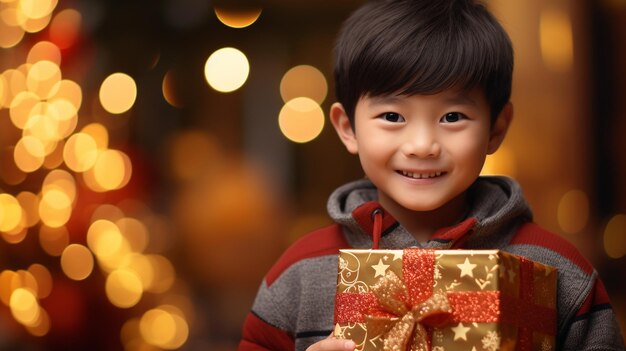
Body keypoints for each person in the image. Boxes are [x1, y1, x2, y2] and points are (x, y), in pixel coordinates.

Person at [238, 0, 626, 350]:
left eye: (452, 117)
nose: (422, 144)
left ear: (496, 128)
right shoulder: (300, 274)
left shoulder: (559, 270)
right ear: (347, 128)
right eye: (392, 117)